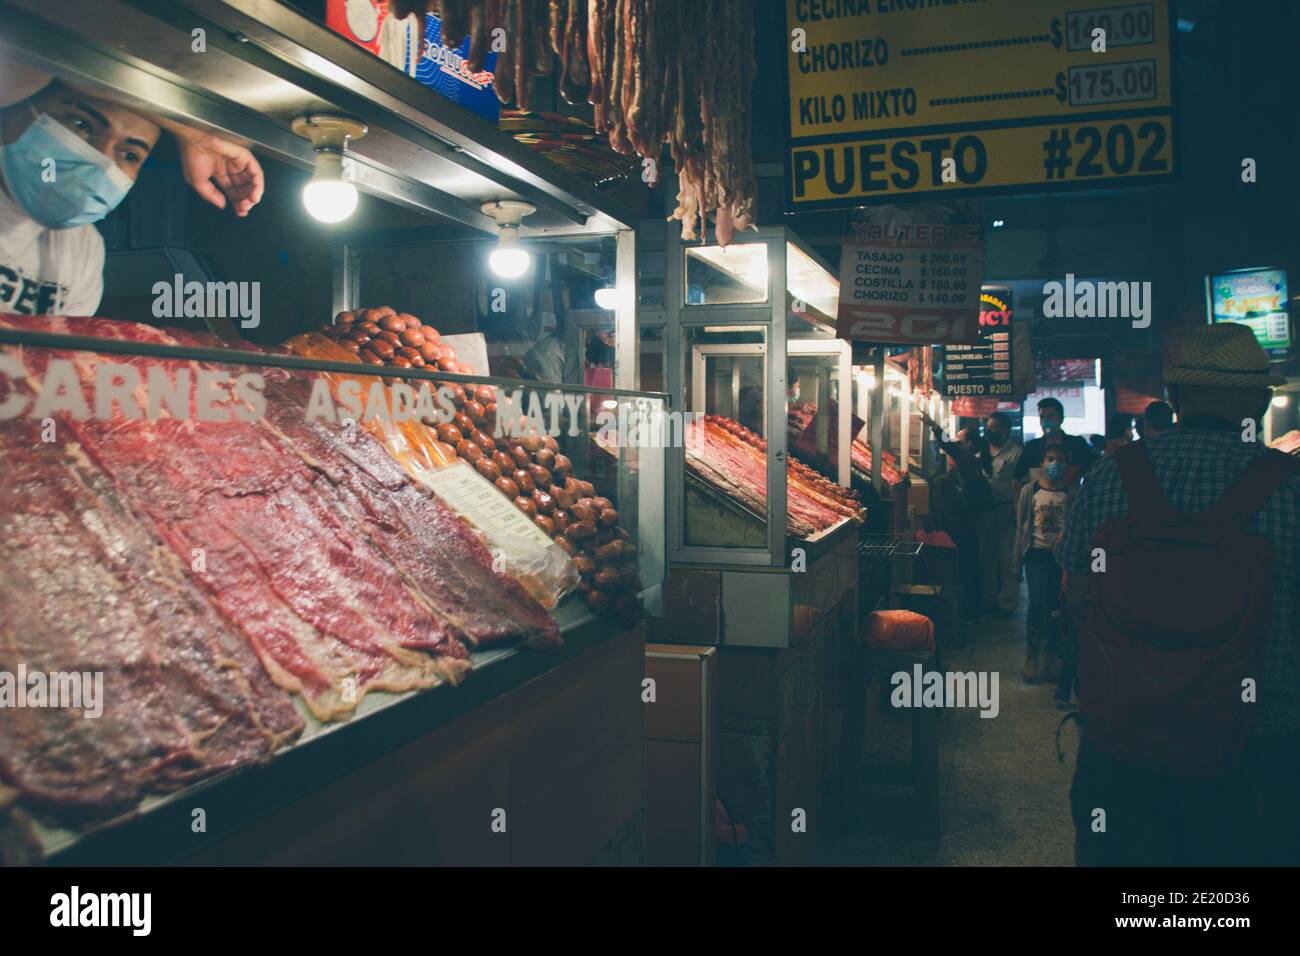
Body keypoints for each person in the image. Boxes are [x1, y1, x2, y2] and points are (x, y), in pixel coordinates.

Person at [1059, 323, 1300, 865]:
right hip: (1256, 750)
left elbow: (1075, 598)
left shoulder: (1108, 476)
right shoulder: (1292, 487)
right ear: (1260, 402)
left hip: (1123, 742)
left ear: (1172, 398)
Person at [1, 63, 264, 317]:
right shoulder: (22, 67)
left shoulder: (83, 248)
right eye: (82, 125)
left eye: (129, 154)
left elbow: (59, 359)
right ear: (17, 104)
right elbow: (42, 48)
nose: (103, 161)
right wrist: (192, 133)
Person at [1013, 441, 1077, 683]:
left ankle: (1051, 655)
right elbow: (1021, 526)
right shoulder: (1030, 490)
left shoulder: (1071, 493)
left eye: (1060, 460)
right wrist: (1017, 559)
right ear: (1042, 463)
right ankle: (1032, 654)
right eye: (1050, 459)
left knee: (1055, 608)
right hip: (1035, 554)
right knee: (1037, 603)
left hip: (1060, 557)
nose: (1054, 464)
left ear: (1067, 465)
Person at [923, 412, 993, 621]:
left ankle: (971, 611)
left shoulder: (968, 461)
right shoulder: (969, 464)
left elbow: (950, 447)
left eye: (959, 441)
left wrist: (935, 426)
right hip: (967, 525)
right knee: (969, 566)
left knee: (967, 568)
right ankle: (972, 609)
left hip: (965, 526)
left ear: (969, 445)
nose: (955, 443)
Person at [982, 412, 1023, 616]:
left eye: (996, 426)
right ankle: (989, 600)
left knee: (1007, 557)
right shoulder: (982, 450)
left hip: (1006, 509)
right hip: (983, 511)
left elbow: (1021, 484)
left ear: (1007, 429)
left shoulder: (1016, 453)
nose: (991, 429)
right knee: (986, 557)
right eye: (989, 426)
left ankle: (1007, 602)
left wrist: (1018, 512)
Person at [1014, 397, 1096, 486]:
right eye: (1042, 417)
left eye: (1050, 417)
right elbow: (1016, 478)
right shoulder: (1032, 447)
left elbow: (1090, 476)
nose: (1045, 422)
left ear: (1061, 419)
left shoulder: (1076, 444)